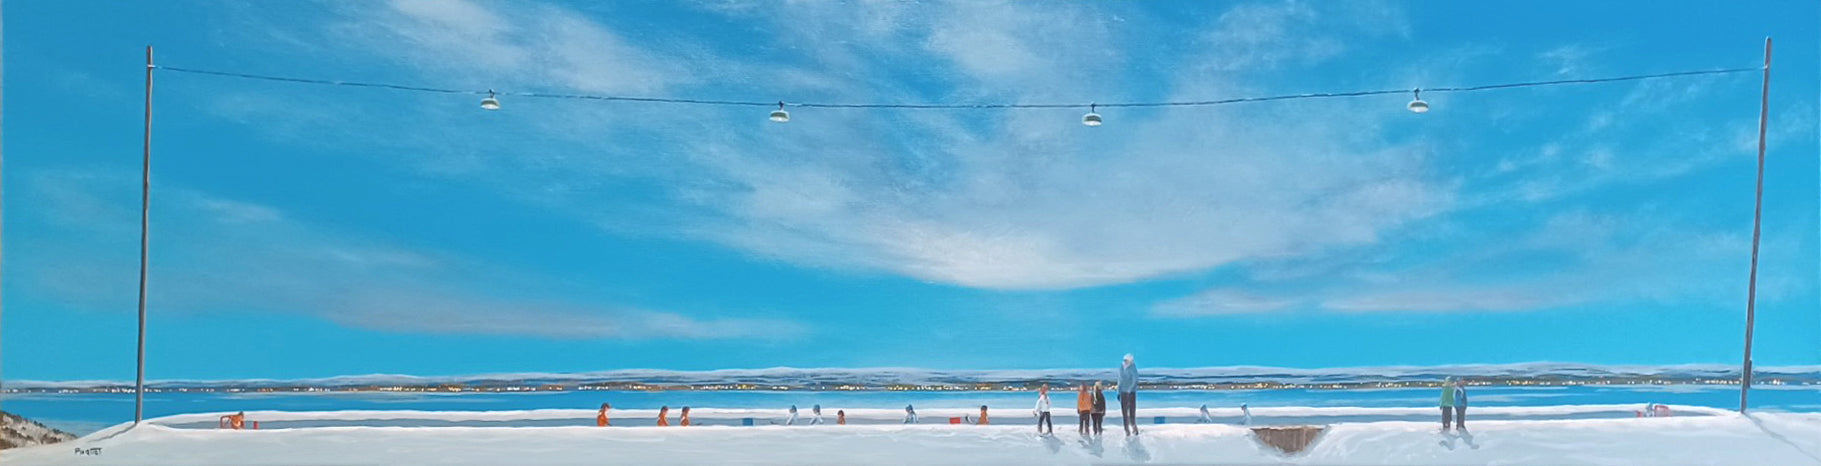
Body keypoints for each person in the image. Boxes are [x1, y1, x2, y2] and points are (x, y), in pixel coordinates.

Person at [1118, 354, 1139, 435]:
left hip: (1131, 393)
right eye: (1124, 360)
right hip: (1123, 392)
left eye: (1126, 360)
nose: (1125, 362)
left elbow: (1135, 379)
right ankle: (1126, 429)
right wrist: (1118, 392)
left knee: (1131, 411)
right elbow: (1119, 380)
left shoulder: (1132, 367)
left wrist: (1130, 389)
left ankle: (1134, 427)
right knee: (1124, 412)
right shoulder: (1121, 367)